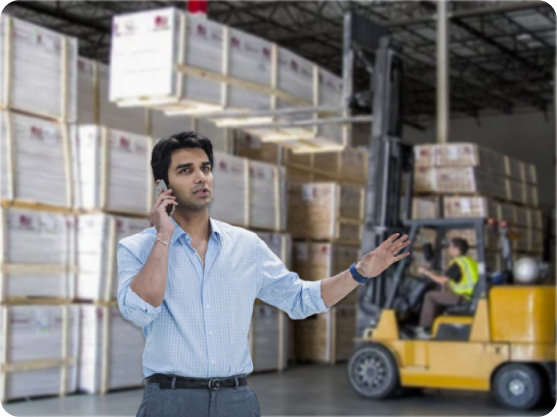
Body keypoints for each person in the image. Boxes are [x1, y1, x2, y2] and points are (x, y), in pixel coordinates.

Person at [117, 131, 411, 417]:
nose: (200, 177)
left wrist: (359, 272)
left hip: (235, 401)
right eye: (185, 170)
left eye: (205, 168)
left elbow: (299, 300)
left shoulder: (246, 246)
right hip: (171, 402)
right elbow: (139, 312)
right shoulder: (137, 248)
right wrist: (163, 237)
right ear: (162, 185)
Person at [415, 237, 479, 339]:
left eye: (451, 246)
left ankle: (425, 330)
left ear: (457, 249)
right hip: (469, 297)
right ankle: (433, 325)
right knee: (439, 297)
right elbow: (452, 276)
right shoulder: (470, 261)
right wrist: (434, 274)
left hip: (463, 298)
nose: (449, 249)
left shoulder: (458, 263)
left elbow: (442, 281)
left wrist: (425, 272)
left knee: (430, 296)